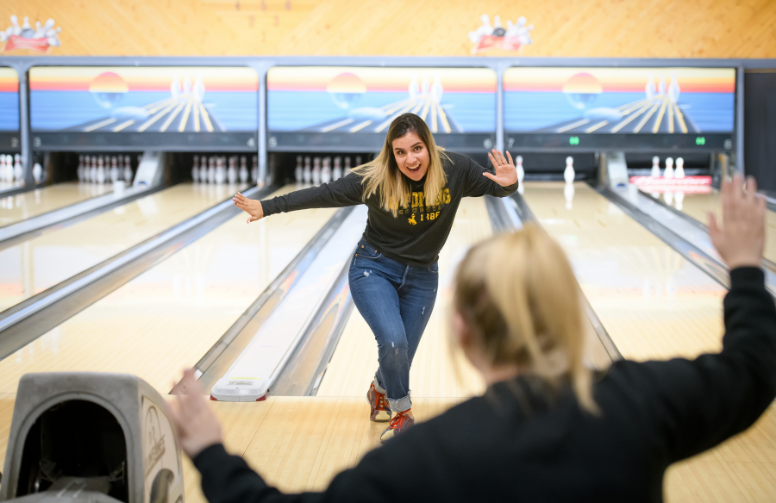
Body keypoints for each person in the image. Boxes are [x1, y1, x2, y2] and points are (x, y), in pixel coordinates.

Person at [171, 174, 775, 502]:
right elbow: (755, 367)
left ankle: (388, 389)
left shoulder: (426, 458)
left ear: (460, 330)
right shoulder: (640, 404)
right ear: (570, 311)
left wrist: (213, 453)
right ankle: (388, 389)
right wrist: (746, 268)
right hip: (378, 266)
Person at [232, 113, 518, 441]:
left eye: (417, 148)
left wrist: (511, 184)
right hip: (374, 268)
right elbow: (322, 194)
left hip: (424, 276)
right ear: (391, 153)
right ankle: (403, 413)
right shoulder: (374, 178)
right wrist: (267, 207)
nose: (410, 159)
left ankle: (378, 390)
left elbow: (500, 190)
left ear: (429, 146)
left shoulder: (456, 169)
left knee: (402, 352)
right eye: (400, 152)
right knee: (394, 342)